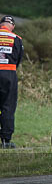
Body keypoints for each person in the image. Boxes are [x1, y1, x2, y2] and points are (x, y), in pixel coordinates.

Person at [0, 16, 23, 149]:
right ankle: (6, 141)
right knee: (8, 106)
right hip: (9, 74)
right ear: (12, 26)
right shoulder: (17, 39)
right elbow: (19, 59)